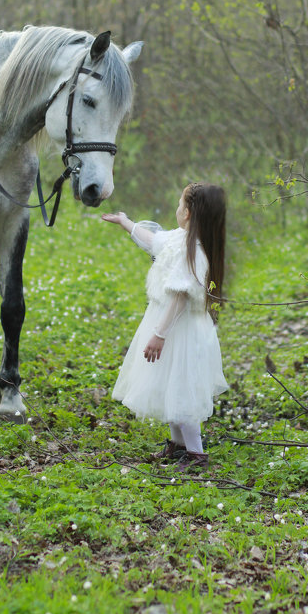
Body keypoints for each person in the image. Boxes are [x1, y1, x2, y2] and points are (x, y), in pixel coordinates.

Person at [101, 182, 228, 471]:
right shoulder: (180, 238)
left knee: (182, 390)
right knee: (169, 385)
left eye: (180, 204)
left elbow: (180, 297)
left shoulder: (194, 250)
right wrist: (125, 222)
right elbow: (152, 240)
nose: (176, 209)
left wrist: (159, 334)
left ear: (189, 213)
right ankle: (179, 445)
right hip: (170, 326)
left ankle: (196, 454)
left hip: (180, 330)